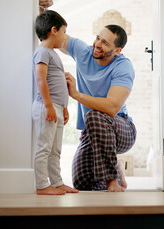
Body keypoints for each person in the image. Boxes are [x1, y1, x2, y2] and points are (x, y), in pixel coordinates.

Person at [62, 24, 136, 192]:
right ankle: (116, 165)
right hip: (93, 130)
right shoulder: (83, 53)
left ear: (117, 51)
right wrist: (40, 10)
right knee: (83, 183)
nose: (97, 44)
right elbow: (55, 35)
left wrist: (76, 95)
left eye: (105, 43)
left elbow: (112, 108)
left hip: (122, 130)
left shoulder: (123, 67)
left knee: (95, 115)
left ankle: (113, 181)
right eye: (97, 38)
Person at [32, 10, 78, 195]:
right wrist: (49, 105)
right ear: (54, 30)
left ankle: (57, 182)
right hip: (46, 107)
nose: (65, 37)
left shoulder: (52, 53)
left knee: (55, 149)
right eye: (64, 32)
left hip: (57, 107)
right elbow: (41, 80)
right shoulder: (42, 52)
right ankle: (42, 185)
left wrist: (64, 108)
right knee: (44, 148)